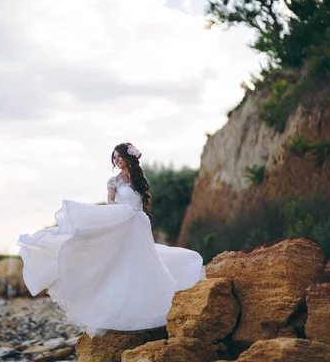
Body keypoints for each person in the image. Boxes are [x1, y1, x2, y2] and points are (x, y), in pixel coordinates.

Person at [17, 142, 205, 336]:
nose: (116, 160)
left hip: (141, 222)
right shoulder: (113, 181)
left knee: (146, 261)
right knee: (124, 262)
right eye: (114, 157)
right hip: (125, 221)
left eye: (119, 156)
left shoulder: (139, 179)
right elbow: (110, 202)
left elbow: (142, 201)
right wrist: (121, 214)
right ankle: (118, 308)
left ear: (128, 157)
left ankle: (149, 302)